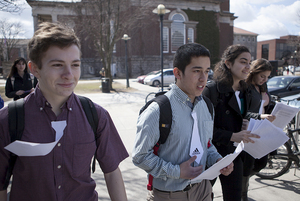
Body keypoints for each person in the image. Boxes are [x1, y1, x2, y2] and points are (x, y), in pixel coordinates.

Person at [0, 22, 128, 201]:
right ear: (34, 69)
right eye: (58, 65)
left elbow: (112, 172)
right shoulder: (9, 119)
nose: (69, 74)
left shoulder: (96, 116)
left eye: (75, 64)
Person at [132, 43, 233, 201]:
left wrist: (218, 160)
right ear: (177, 73)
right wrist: (176, 171)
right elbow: (140, 156)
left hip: (203, 189)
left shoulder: (206, 106)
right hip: (170, 195)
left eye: (207, 71)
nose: (203, 78)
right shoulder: (158, 110)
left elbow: (206, 144)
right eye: (197, 71)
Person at [202, 44, 260, 201]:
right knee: (203, 196)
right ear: (228, 63)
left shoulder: (247, 91)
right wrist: (231, 135)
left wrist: (260, 119)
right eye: (243, 62)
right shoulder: (212, 90)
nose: (248, 67)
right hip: (211, 155)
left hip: (235, 156)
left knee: (234, 196)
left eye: (250, 62)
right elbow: (202, 130)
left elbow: (245, 115)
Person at [242, 58, 276, 201]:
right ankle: (243, 192)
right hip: (250, 130)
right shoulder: (246, 87)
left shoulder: (263, 87)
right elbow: (242, 112)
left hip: (262, 129)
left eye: (267, 77)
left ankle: (241, 182)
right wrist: (260, 116)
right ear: (254, 72)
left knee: (262, 162)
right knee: (247, 165)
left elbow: (265, 104)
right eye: (262, 76)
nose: (264, 79)